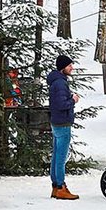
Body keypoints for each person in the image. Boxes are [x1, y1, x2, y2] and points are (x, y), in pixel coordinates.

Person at [46, 54, 80, 200]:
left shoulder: (56, 82)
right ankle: (60, 186)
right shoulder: (60, 83)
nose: (71, 68)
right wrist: (73, 100)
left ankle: (55, 185)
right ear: (62, 68)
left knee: (56, 155)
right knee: (61, 156)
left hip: (56, 122)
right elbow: (61, 104)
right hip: (63, 123)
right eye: (69, 66)